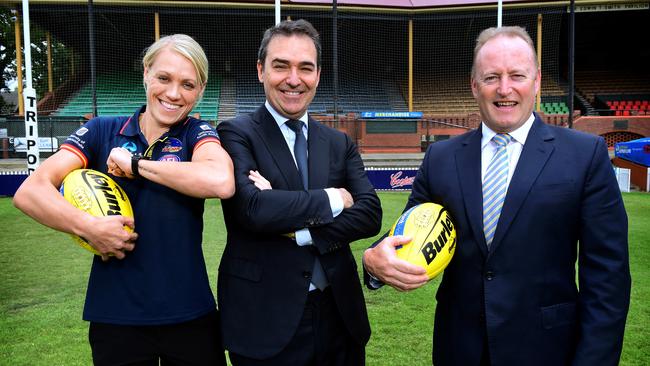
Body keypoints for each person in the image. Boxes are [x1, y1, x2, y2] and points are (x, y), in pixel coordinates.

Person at [363, 26, 630, 366]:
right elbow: (409, 230)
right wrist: (373, 260)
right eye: (491, 77)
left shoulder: (584, 154)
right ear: (474, 86)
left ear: (536, 82)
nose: (505, 89)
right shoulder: (441, 158)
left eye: (517, 75)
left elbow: (608, 277)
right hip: (459, 350)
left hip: (547, 350)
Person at [13, 34, 234, 365]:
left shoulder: (196, 133)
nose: (174, 94)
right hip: (115, 316)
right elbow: (30, 191)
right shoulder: (102, 130)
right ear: (146, 73)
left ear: (200, 90)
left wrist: (137, 166)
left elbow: (220, 181)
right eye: (164, 78)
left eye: (188, 84)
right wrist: (89, 227)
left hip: (190, 313)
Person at [216, 19, 382, 365]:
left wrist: (299, 230)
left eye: (305, 68)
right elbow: (253, 209)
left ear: (317, 75)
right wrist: (336, 198)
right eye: (281, 66)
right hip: (266, 321)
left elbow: (369, 214)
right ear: (261, 70)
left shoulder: (339, 142)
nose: (294, 79)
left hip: (341, 317)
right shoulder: (235, 133)